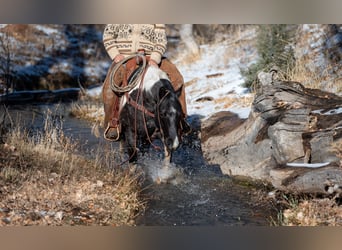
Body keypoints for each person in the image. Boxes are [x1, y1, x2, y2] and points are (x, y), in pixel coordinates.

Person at [102, 24, 190, 141]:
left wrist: (155, 58)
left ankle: (180, 121)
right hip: (124, 57)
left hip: (150, 57)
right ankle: (113, 123)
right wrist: (116, 55)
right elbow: (108, 36)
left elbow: (161, 41)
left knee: (176, 79)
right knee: (109, 90)